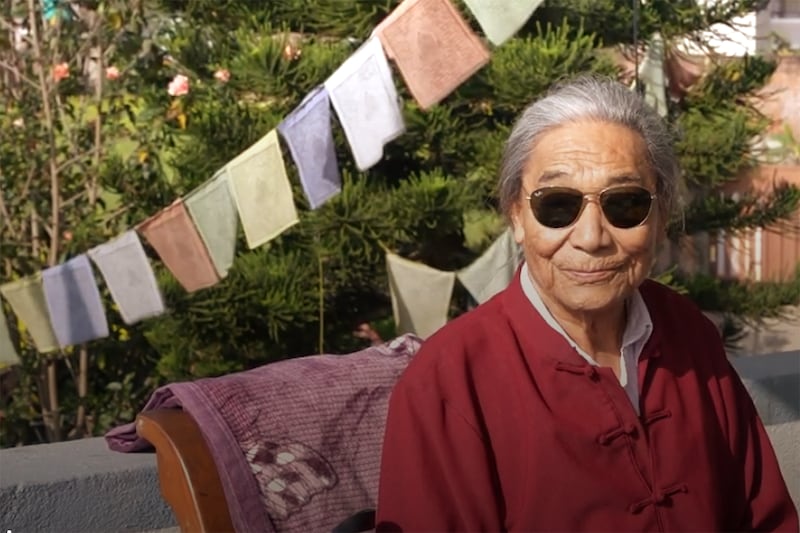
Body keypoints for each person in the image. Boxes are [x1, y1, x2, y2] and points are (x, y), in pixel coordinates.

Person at [375, 75, 798, 532]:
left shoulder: (687, 331)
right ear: (516, 215)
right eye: (557, 205)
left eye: (626, 204)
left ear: (660, 216)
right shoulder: (449, 383)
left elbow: (764, 517)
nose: (592, 238)